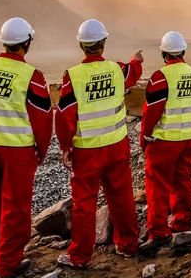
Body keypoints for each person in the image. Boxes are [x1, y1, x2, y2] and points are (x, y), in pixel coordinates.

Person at [55, 19, 143, 268]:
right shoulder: (117, 70)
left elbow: (64, 115)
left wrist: (65, 146)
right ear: (103, 43)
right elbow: (133, 72)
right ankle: (128, 245)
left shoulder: (73, 76)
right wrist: (136, 59)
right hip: (116, 146)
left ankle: (80, 257)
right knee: (122, 197)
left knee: (84, 204)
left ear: (81, 45)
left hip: (87, 151)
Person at [0, 17, 53, 278]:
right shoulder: (32, 76)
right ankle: (8, 264)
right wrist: (41, 149)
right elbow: (42, 118)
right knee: (16, 207)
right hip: (16, 150)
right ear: (26, 43)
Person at [139, 31, 191, 253]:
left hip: (164, 141)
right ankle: (182, 224)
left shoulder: (160, 77)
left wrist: (144, 137)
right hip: (187, 139)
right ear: (183, 51)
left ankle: (158, 233)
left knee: (157, 186)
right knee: (182, 182)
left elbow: (151, 113)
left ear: (163, 53)